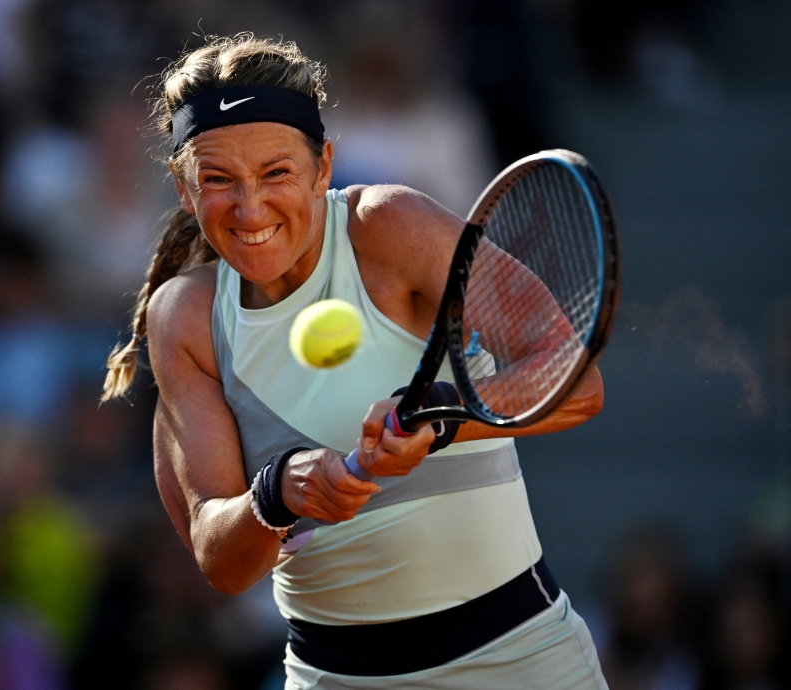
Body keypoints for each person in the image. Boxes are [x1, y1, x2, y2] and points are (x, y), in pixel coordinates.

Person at [103, 34, 608, 689]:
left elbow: (578, 383)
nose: (249, 208)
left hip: (525, 662)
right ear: (182, 187)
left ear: (323, 166)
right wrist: (279, 492)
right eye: (217, 180)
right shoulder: (185, 319)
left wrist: (441, 418)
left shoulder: (391, 227)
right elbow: (222, 562)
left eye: (276, 173)